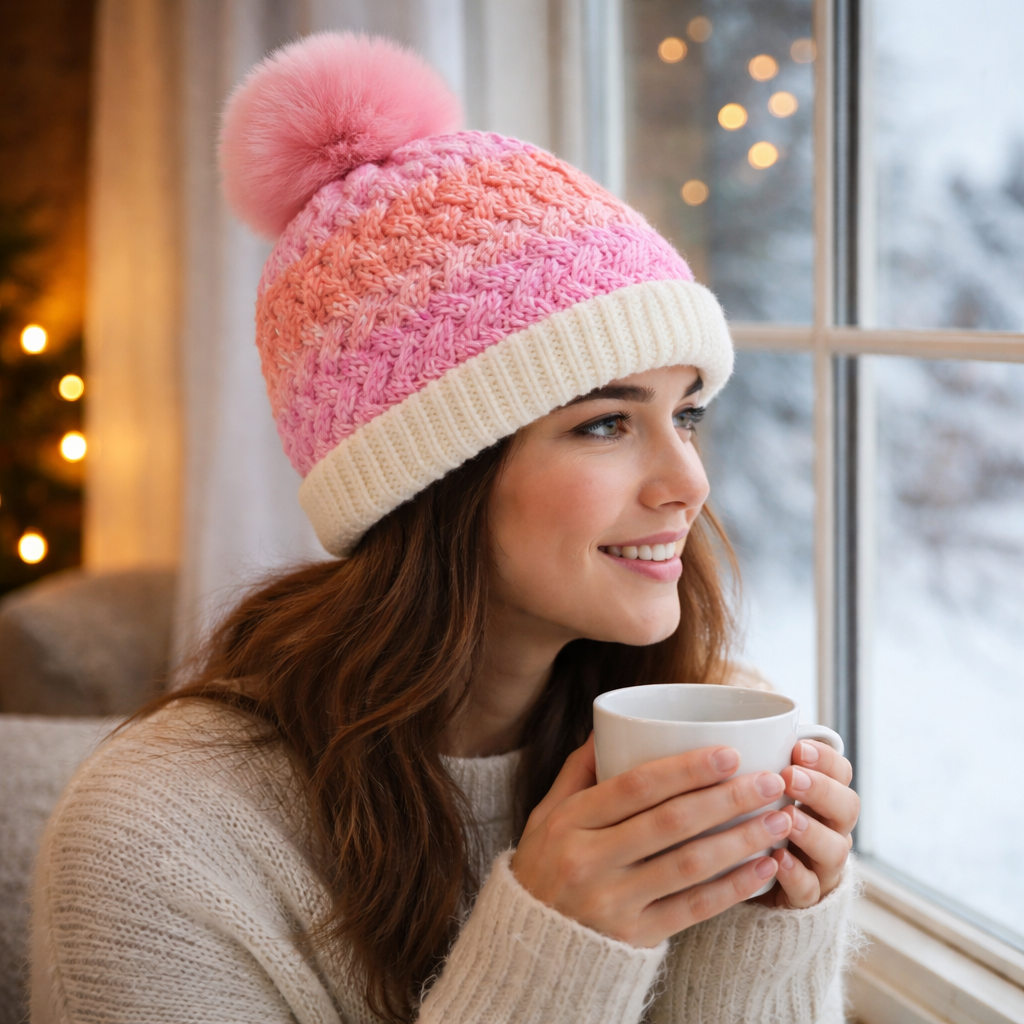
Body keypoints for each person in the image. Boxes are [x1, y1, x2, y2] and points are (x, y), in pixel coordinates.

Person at [30, 31, 859, 1024]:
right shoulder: (158, 838)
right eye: (604, 422)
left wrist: (764, 920)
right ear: (431, 480)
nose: (687, 479)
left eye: (685, 412)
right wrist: (558, 943)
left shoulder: (703, 722)